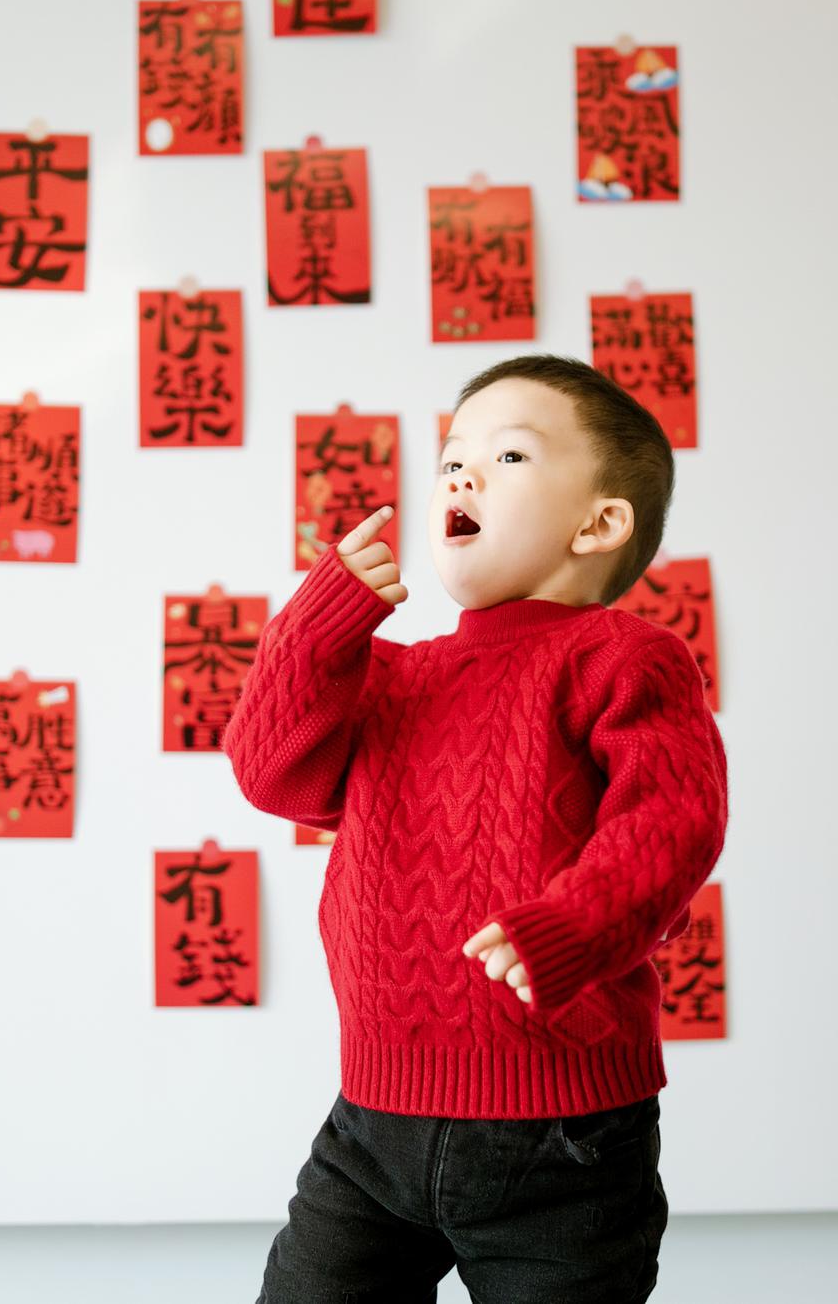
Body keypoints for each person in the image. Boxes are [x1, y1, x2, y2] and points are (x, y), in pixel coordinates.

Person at [222, 352, 728, 1303]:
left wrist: (575, 926)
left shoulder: (626, 658)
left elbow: (672, 819)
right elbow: (270, 772)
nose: (460, 477)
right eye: (453, 458)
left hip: (565, 1132)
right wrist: (320, 624)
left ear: (599, 523)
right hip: (373, 1122)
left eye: (508, 457)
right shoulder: (393, 678)